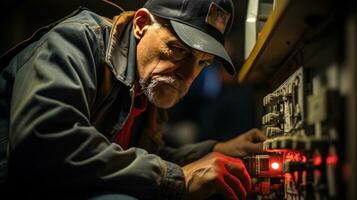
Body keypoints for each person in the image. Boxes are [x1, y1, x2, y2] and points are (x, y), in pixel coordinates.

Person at [0, 0, 266, 199]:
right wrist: (176, 178)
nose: (188, 75)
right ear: (141, 24)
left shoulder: (148, 80)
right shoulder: (76, 41)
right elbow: (45, 143)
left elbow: (135, 156)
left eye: (202, 63)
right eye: (178, 50)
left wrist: (214, 151)